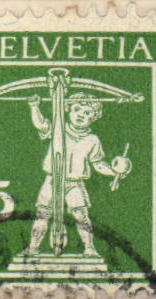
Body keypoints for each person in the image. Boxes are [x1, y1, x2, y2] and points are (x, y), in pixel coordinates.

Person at [24, 92, 132, 257]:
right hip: (52, 180)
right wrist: (34, 106)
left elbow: (98, 164)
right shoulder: (57, 128)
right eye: (77, 109)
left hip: (75, 183)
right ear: (68, 109)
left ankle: (89, 248)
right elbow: (40, 124)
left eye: (87, 113)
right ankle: (33, 248)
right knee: (42, 214)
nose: (81, 115)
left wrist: (114, 171)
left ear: (94, 117)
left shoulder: (93, 140)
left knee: (81, 216)